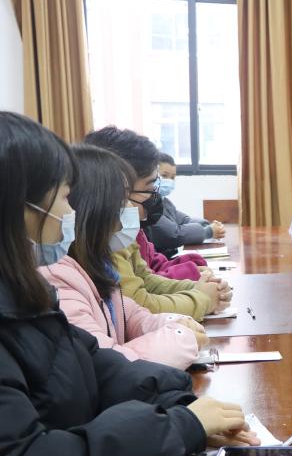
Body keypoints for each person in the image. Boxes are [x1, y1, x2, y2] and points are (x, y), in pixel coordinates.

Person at [0, 111, 258, 456]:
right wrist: (178, 428)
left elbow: (95, 364)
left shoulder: (24, 291)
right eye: (61, 197)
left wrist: (183, 404)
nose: (68, 212)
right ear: (20, 206)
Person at [39, 144, 206, 369]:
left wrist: (174, 322)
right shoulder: (57, 276)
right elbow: (105, 364)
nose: (130, 207)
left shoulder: (97, 263)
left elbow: (129, 315)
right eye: (122, 197)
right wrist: (182, 338)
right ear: (93, 206)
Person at [83, 128, 229, 320]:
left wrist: (200, 288)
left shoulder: (124, 232)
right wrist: (202, 299)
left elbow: (146, 280)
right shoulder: (108, 236)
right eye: (150, 189)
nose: (155, 197)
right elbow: (137, 305)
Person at [83, 127, 210, 282]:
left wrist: (193, 266)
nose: (155, 195)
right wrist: (191, 274)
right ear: (115, 189)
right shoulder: (115, 239)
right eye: (149, 189)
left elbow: (152, 265)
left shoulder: (134, 230)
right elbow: (142, 286)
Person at [149, 152, 226, 257]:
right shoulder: (148, 205)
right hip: (160, 262)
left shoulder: (164, 201)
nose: (169, 181)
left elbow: (185, 220)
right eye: (164, 176)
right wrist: (208, 231)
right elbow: (174, 235)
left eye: (172, 177)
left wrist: (207, 225)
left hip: (169, 260)